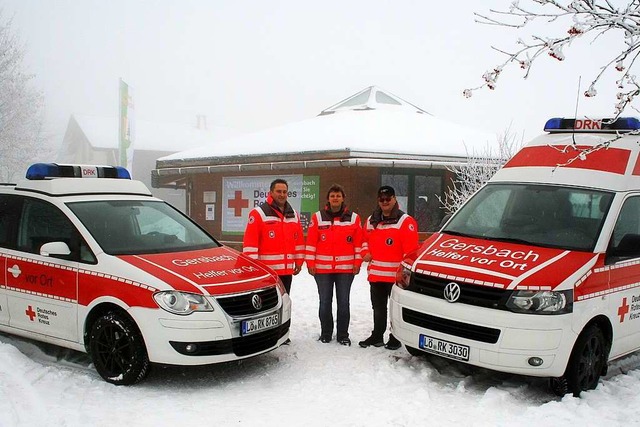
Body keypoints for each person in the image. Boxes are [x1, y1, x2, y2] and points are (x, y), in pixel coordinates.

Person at [359, 185, 419, 350]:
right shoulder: (372, 220)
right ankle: (377, 335)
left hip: (395, 277)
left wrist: (405, 276)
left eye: (388, 198)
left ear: (395, 199)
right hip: (376, 275)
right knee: (378, 309)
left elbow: (411, 252)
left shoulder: (405, 221)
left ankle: (395, 337)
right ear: (378, 201)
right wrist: (365, 252)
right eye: (381, 199)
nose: (385, 202)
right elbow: (363, 241)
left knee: (394, 310)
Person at [305, 184, 363, 346]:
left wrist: (357, 262)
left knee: (343, 302)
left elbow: (359, 244)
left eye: (338, 195)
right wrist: (310, 263)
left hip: (345, 269)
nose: (335, 198)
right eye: (332, 196)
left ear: (343, 198)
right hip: (322, 269)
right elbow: (311, 243)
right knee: (325, 302)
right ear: (328, 199)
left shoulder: (354, 218)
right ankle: (326, 333)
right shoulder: (317, 217)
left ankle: (343, 335)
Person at [243, 178, 305, 295]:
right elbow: (250, 244)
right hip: (267, 273)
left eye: (284, 192)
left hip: (286, 272)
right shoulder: (258, 213)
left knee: (284, 302)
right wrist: (253, 268)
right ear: (271, 193)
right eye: (278, 191)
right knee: (268, 305)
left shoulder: (294, 215)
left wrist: (299, 261)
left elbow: (299, 240)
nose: (282, 195)